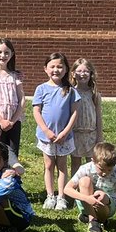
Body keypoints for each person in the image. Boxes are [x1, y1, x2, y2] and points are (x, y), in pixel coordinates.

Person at [32, 52, 80, 211]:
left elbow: (74, 113)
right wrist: (46, 131)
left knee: (62, 166)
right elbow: (36, 111)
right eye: (52, 66)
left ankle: (61, 197)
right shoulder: (41, 89)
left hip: (64, 137)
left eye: (60, 66)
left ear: (66, 69)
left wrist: (65, 133)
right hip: (46, 137)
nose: (56, 70)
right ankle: (50, 196)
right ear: (45, 69)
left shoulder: (70, 90)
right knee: (48, 165)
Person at [64, 141, 116, 232]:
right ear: (93, 161)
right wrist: (87, 198)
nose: (105, 173)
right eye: (101, 169)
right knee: (84, 181)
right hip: (85, 202)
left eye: (109, 170)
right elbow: (67, 189)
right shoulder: (85, 168)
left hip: (107, 205)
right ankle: (93, 220)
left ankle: (96, 219)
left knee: (101, 196)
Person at [69, 58, 103, 170]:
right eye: (79, 71)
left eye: (86, 71)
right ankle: (74, 186)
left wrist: (99, 137)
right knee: (76, 163)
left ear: (91, 74)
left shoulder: (94, 93)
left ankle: (90, 186)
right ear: (73, 74)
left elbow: (98, 116)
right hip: (76, 133)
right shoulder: (70, 92)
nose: (82, 74)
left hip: (91, 134)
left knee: (92, 163)